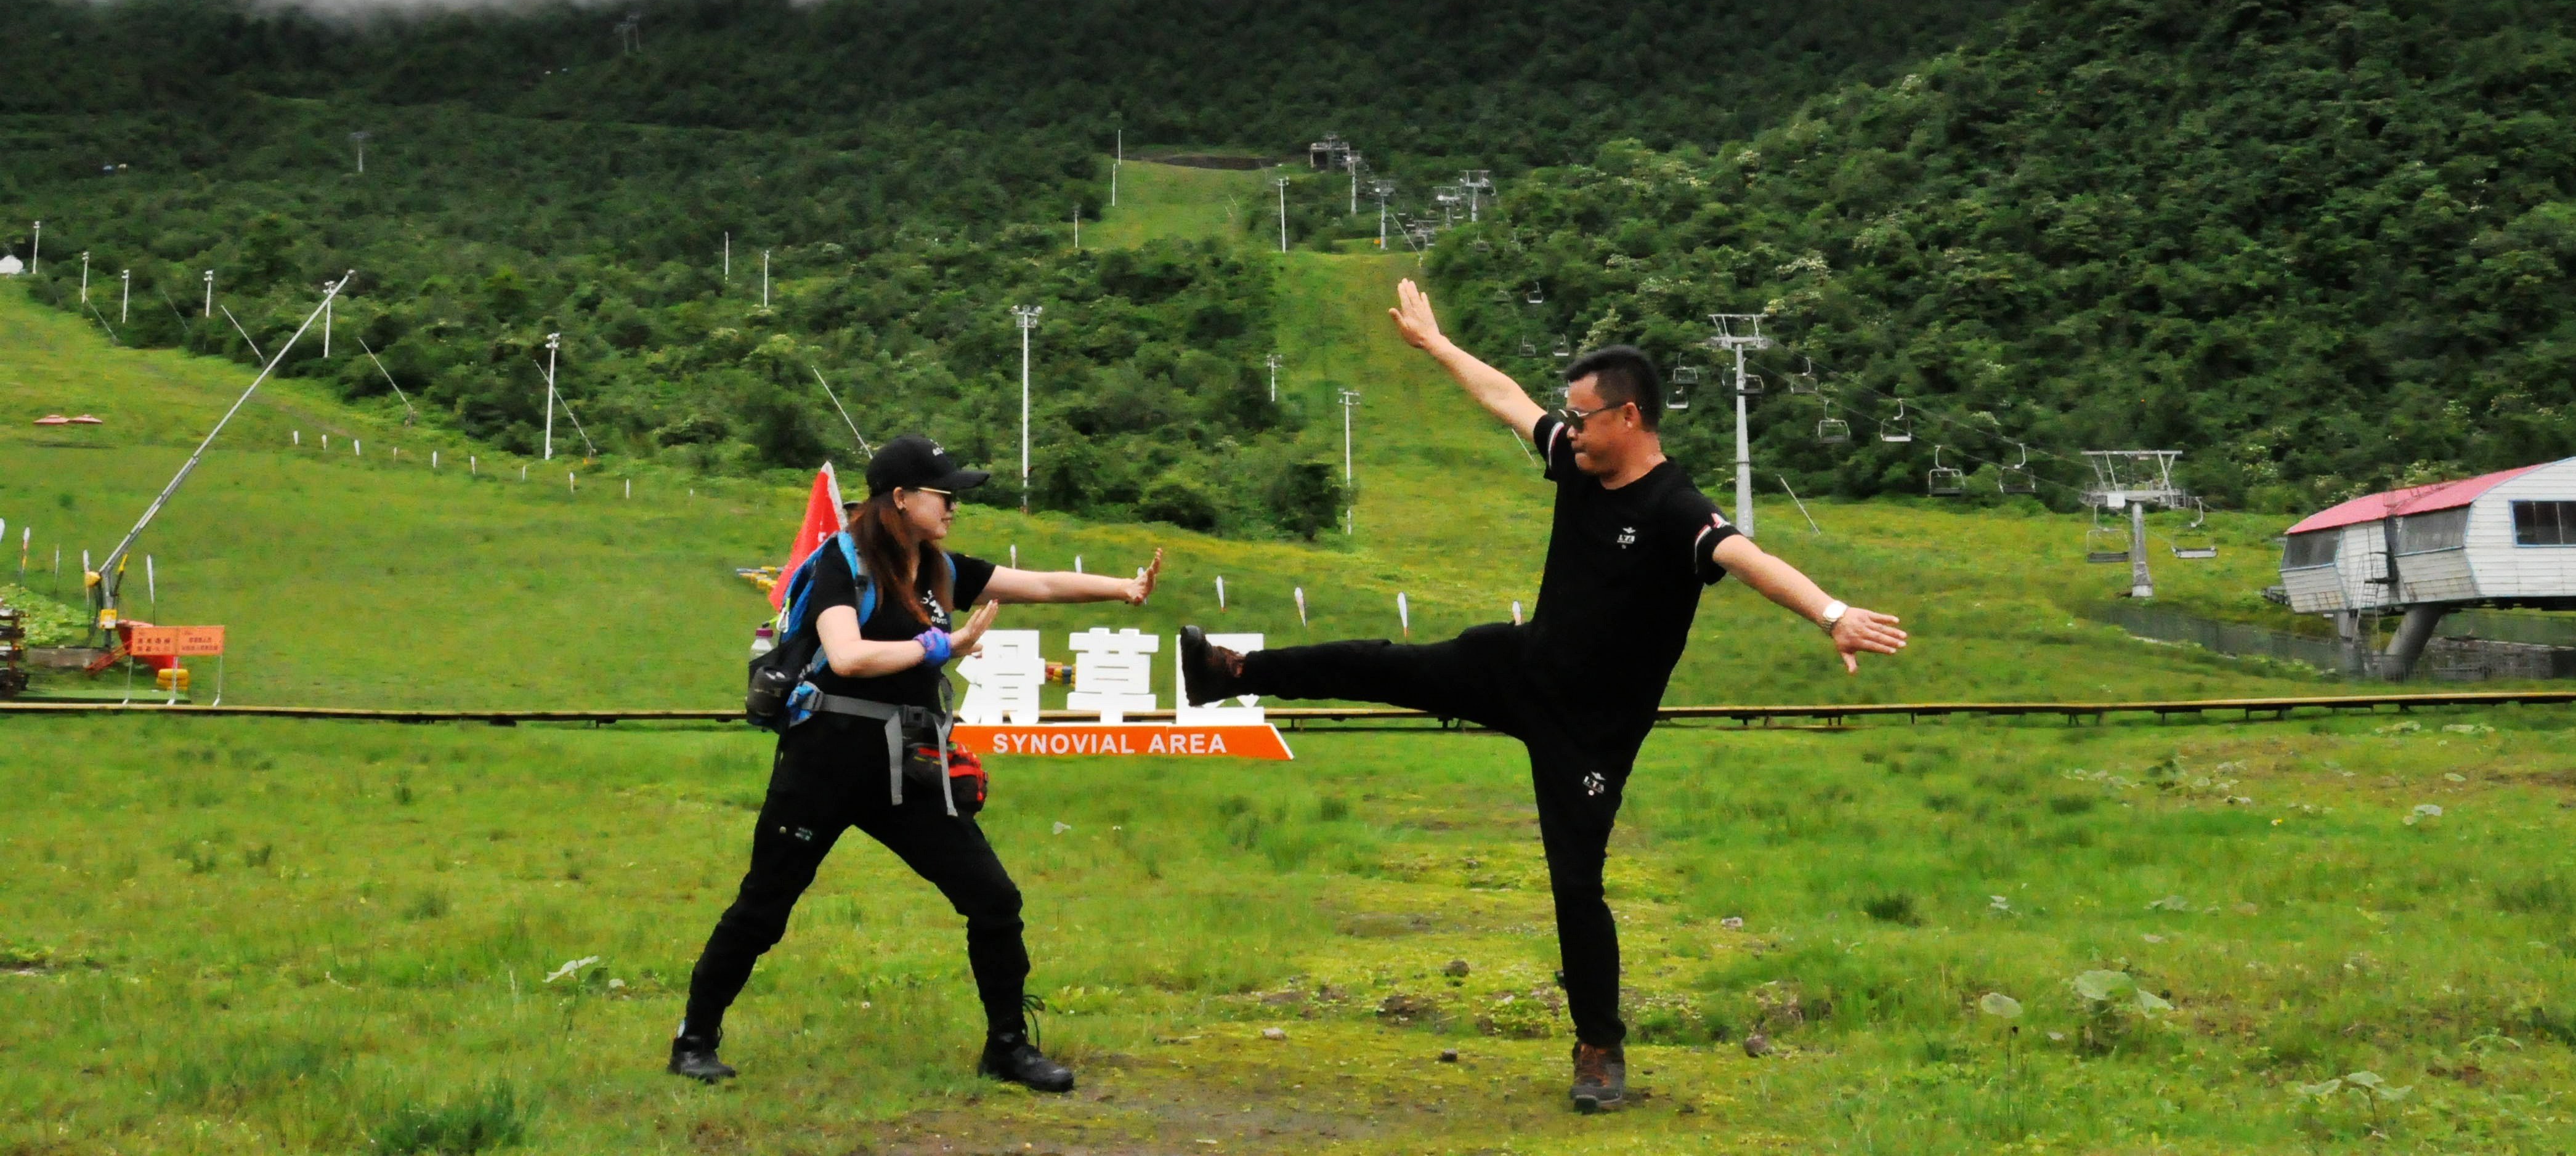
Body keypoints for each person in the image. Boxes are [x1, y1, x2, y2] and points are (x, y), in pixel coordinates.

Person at [1182, 279, 1907, 1113]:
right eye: (1569, 419)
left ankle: (1599, 1051)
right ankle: (1232, 673)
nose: (1569, 431)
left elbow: (1748, 559)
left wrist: (1831, 614)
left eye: (1583, 418)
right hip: (1521, 666)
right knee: (1389, 666)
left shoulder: (1675, 509)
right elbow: (1506, 400)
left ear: (1628, 416)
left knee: (1576, 885)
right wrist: (1437, 345)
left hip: (1591, 733)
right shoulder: (1578, 462)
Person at [671, 432, 1162, 1091]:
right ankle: (694, 1041)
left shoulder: (939, 569)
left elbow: (1041, 583)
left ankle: (1007, 1047)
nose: (954, 505)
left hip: (906, 767)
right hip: (824, 761)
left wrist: (1123, 588)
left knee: (993, 898)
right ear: (900, 498)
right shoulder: (840, 564)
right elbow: (847, 656)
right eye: (944, 494)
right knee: (764, 906)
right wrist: (942, 646)